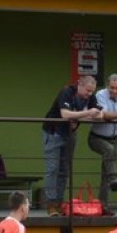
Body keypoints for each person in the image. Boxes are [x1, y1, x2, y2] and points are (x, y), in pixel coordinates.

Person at [42, 75, 102, 216]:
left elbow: (99, 115)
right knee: (52, 169)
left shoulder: (90, 96)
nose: (89, 94)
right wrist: (86, 113)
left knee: (64, 170)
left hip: (70, 133)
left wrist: (78, 116)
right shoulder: (67, 92)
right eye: (87, 90)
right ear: (79, 84)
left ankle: (59, 202)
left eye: (92, 91)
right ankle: (50, 203)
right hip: (53, 132)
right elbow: (65, 114)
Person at [88, 74, 117, 215]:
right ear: (107, 86)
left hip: (114, 139)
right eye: (112, 87)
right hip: (96, 138)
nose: (114, 91)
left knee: (105, 174)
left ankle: (103, 206)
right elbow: (104, 115)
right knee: (109, 153)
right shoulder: (100, 95)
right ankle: (114, 177)